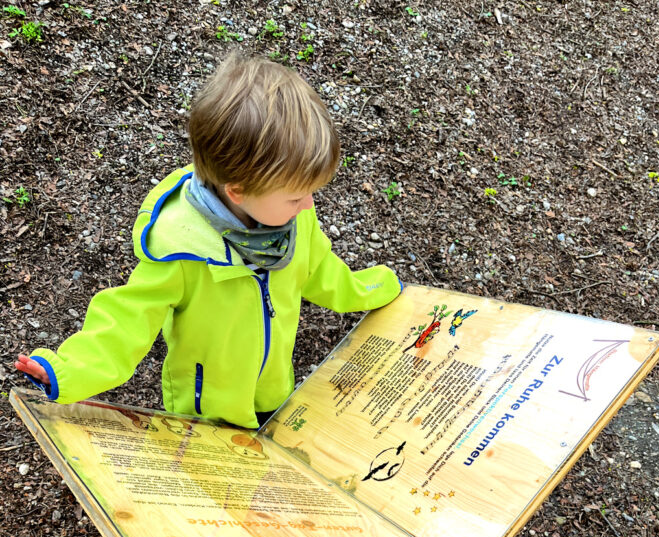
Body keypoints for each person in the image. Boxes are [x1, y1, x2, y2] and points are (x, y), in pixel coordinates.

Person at [14, 52, 401, 428]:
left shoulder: (290, 218)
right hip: (204, 413)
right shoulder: (182, 252)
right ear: (237, 191)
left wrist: (375, 290)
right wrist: (66, 370)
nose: (309, 204)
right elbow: (125, 321)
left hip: (272, 391)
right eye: (297, 196)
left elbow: (321, 270)